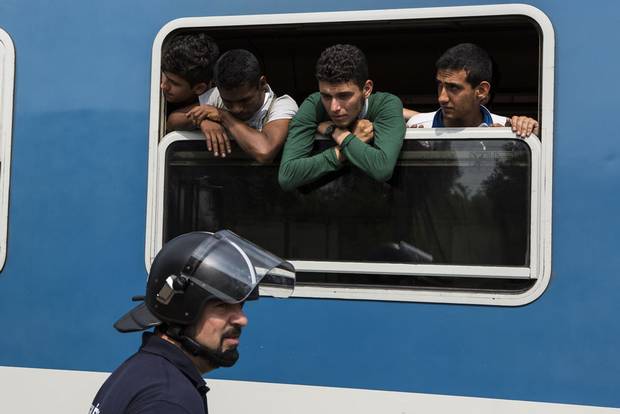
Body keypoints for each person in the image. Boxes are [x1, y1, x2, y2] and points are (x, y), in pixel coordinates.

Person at [89, 230, 295, 414]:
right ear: (179, 310)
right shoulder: (168, 400)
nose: (242, 319)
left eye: (240, 306)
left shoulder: (143, 370)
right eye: (222, 306)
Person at [278, 44, 405, 191]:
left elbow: (382, 168)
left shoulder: (387, 104)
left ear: (367, 89)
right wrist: (344, 148)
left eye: (343, 96)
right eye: (326, 96)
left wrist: (336, 132)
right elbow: (287, 176)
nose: (334, 108)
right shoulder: (314, 105)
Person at [185, 49, 298, 163]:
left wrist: (224, 116)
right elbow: (172, 120)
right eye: (228, 102)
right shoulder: (217, 97)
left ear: (262, 83)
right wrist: (203, 121)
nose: (237, 109)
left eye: (245, 100)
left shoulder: (283, 105)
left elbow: (265, 152)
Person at [405, 43, 539, 138]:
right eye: (440, 85)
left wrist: (528, 131)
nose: (442, 98)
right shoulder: (417, 126)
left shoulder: (509, 129)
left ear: (481, 91)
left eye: (453, 87)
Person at [160, 33, 220, 133]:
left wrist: (202, 119)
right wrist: (201, 121)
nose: (163, 86)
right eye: (164, 76)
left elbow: (172, 121)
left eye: (174, 83)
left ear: (199, 88)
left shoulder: (216, 98)